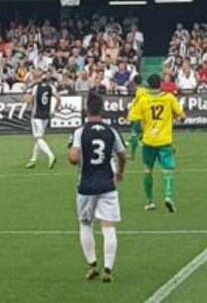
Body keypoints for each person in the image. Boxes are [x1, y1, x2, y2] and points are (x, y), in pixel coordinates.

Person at [69, 91, 126, 283]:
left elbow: (74, 157)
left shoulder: (79, 132)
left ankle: (92, 265)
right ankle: (108, 269)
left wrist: (73, 155)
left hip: (86, 186)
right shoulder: (111, 131)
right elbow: (122, 155)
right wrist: (120, 173)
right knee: (109, 227)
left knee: (86, 224)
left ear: (86, 109)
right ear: (102, 109)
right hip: (108, 184)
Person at [127, 75, 185, 212]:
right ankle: (168, 196)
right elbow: (182, 116)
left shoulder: (143, 99)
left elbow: (132, 118)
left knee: (148, 170)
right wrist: (174, 120)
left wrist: (144, 127)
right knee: (168, 170)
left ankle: (149, 202)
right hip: (165, 140)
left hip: (148, 140)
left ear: (148, 85)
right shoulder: (169, 98)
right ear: (161, 84)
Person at [25, 74, 59, 169]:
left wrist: (28, 90)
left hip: (37, 116)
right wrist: (54, 111)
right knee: (39, 138)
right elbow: (59, 99)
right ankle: (33, 159)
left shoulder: (36, 88)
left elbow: (29, 100)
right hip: (46, 116)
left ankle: (50, 155)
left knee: (38, 138)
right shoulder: (51, 87)